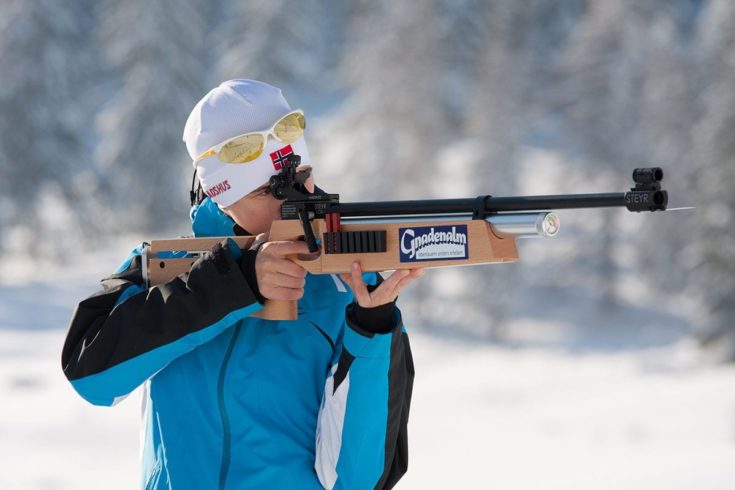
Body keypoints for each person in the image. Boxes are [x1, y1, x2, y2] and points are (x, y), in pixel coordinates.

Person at [61, 79, 423, 490]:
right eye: (269, 190)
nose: (294, 200)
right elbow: (90, 377)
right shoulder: (169, 268)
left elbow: (359, 480)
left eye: (301, 178)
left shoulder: (345, 287)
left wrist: (372, 327)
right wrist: (236, 283)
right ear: (221, 196)